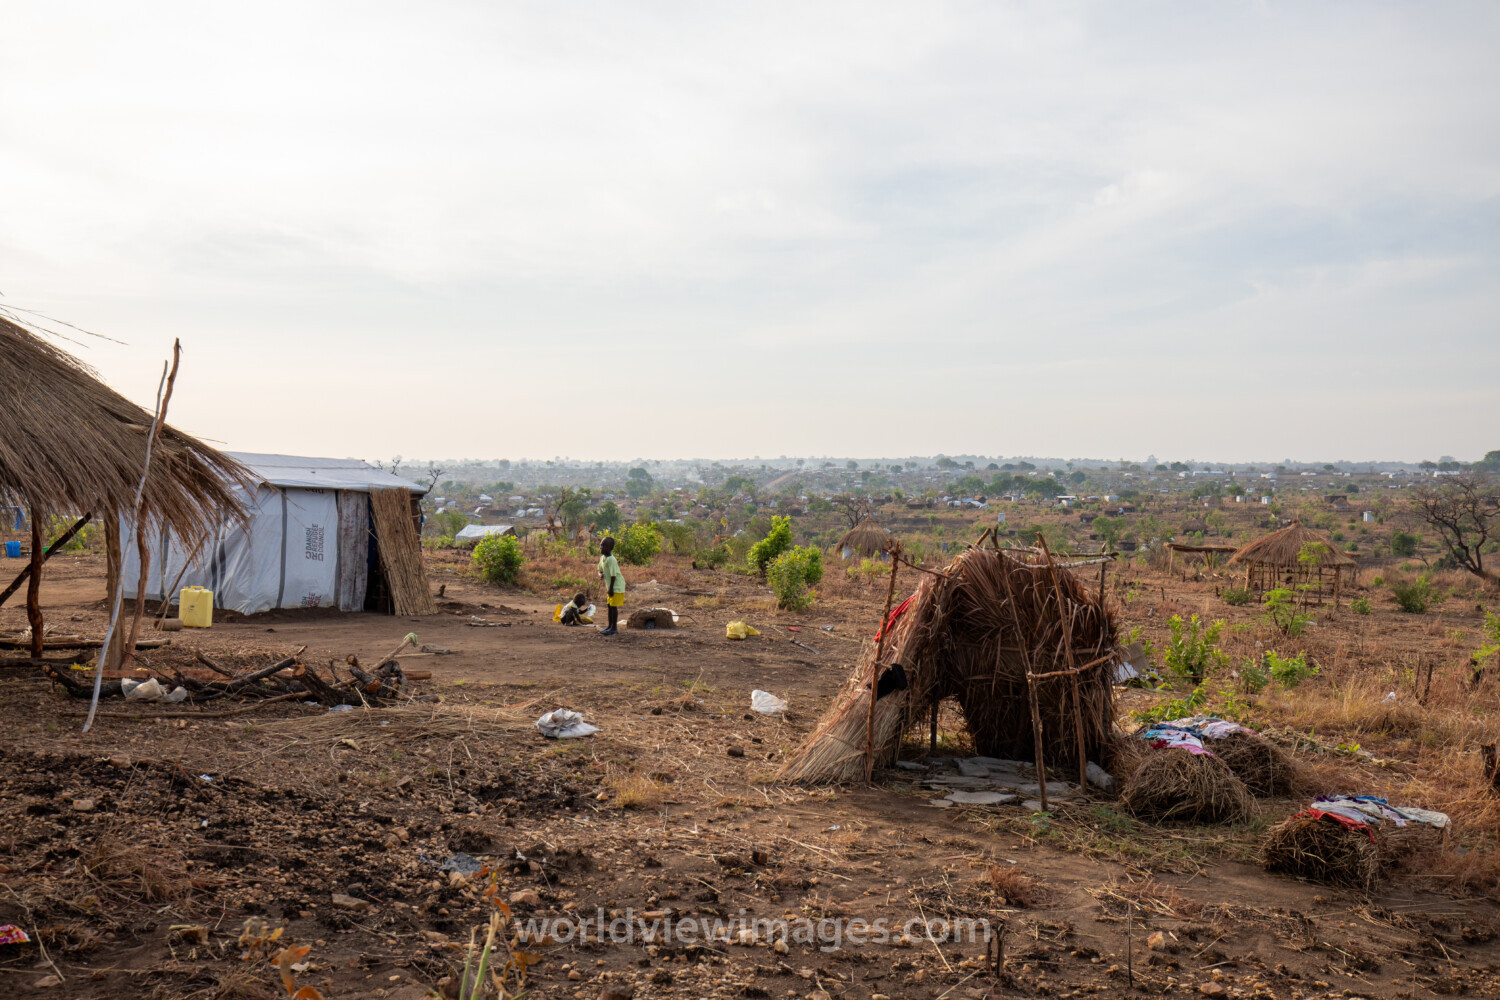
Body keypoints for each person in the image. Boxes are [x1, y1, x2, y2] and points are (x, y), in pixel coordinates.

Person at [597, 536, 626, 635]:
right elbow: (599, 570)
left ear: (610, 548)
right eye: (601, 545)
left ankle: (614, 628)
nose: (601, 548)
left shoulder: (611, 560)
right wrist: (600, 574)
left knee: (613, 607)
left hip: (616, 586)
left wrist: (611, 589)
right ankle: (610, 626)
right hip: (610, 586)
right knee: (609, 606)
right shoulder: (602, 558)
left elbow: (613, 576)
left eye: (604, 546)